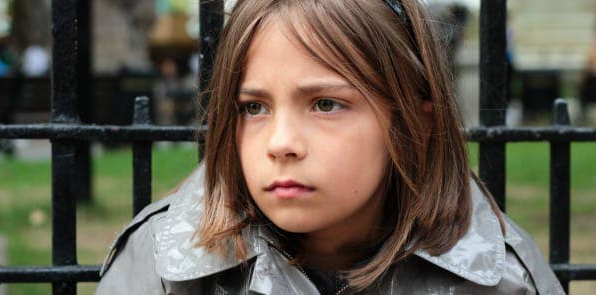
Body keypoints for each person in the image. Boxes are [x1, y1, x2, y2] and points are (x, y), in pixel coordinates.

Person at [96, 1, 564, 294]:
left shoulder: (501, 278)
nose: (281, 144)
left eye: (325, 104)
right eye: (254, 108)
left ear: (413, 124)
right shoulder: (162, 265)